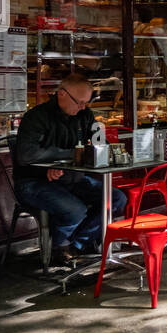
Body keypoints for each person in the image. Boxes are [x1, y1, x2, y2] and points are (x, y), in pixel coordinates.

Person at [13, 74, 127, 267]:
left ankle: (76, 245)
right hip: (33, 182)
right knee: (75, 210)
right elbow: (26, 155)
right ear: (62, 94)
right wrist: (62, 159)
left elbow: (100, 144)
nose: (83, 107)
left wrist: (108, 152)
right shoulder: (36, 117)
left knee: (116, 199)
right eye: (79, 102)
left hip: (71, 178)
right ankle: (61, 247)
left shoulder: (85, 115)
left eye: (86, 102)